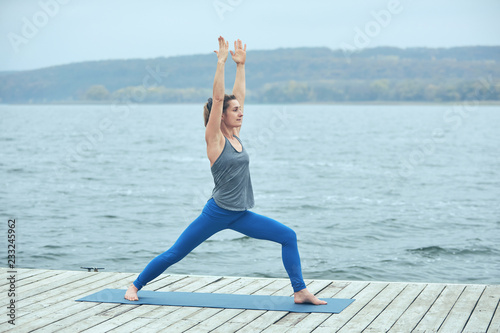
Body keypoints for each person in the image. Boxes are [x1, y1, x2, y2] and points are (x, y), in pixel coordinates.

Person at [124, 37, 326, 305]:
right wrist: (221, 63)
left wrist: (240, 66)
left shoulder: (235, 135)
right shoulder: (215, 140)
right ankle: (135, 285)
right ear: (221, 115)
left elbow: (237, 96)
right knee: (176, 253)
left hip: (241, 213)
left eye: (240, 110)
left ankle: (300, 291)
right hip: (217, 213)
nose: (240, 113)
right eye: (234, 111)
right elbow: (219, 98)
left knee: (288, 236)